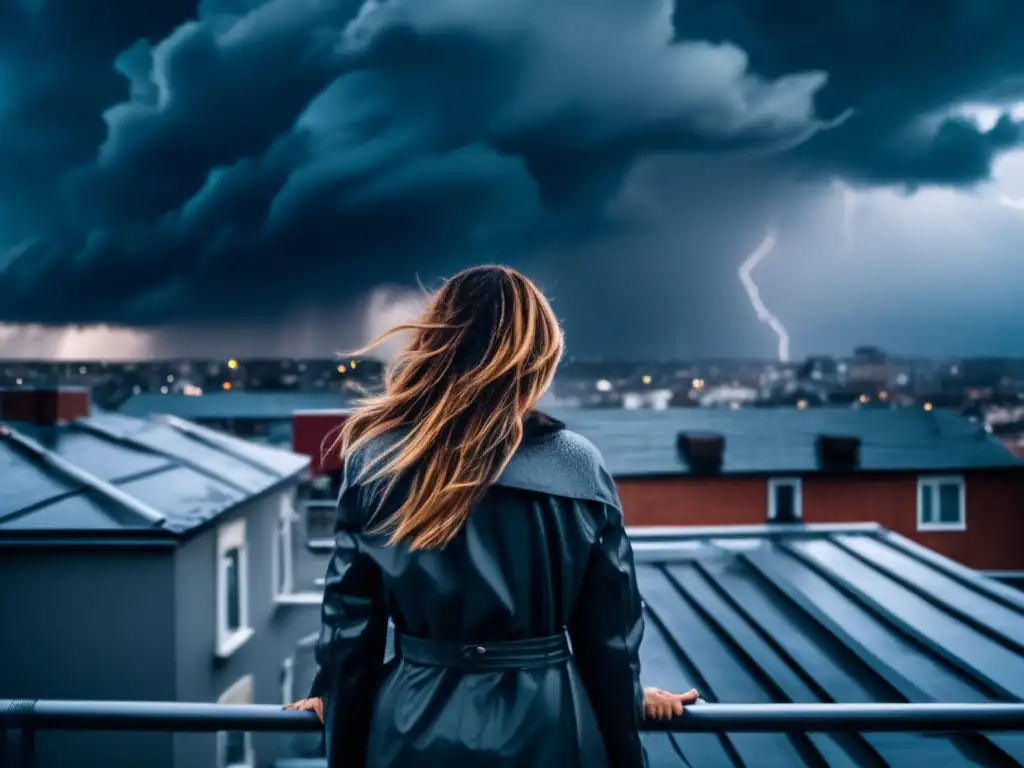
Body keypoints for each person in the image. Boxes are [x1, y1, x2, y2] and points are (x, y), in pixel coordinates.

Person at [285, 265, 699, 767]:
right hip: (550, 728)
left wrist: (340, 729)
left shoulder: (377, 462)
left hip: (410, 729)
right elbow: (610, 641)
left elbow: (351, 633)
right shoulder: (580, 465)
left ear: (437, 341)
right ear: (540, 353)